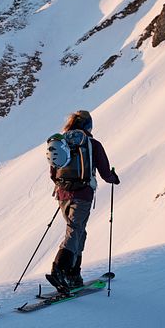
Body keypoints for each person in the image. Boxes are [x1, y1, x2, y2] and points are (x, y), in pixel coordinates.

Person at [49, 110, 119, 291]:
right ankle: (60, 269)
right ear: (88, 125)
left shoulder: (61, 143)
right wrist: (113, 178)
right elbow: (105, 173)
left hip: (62, 194)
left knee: (79, 231)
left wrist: (65, 186)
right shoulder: (92, 144)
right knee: (74, 231)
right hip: (83, 194)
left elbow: (53, 172)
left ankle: (73, 274)